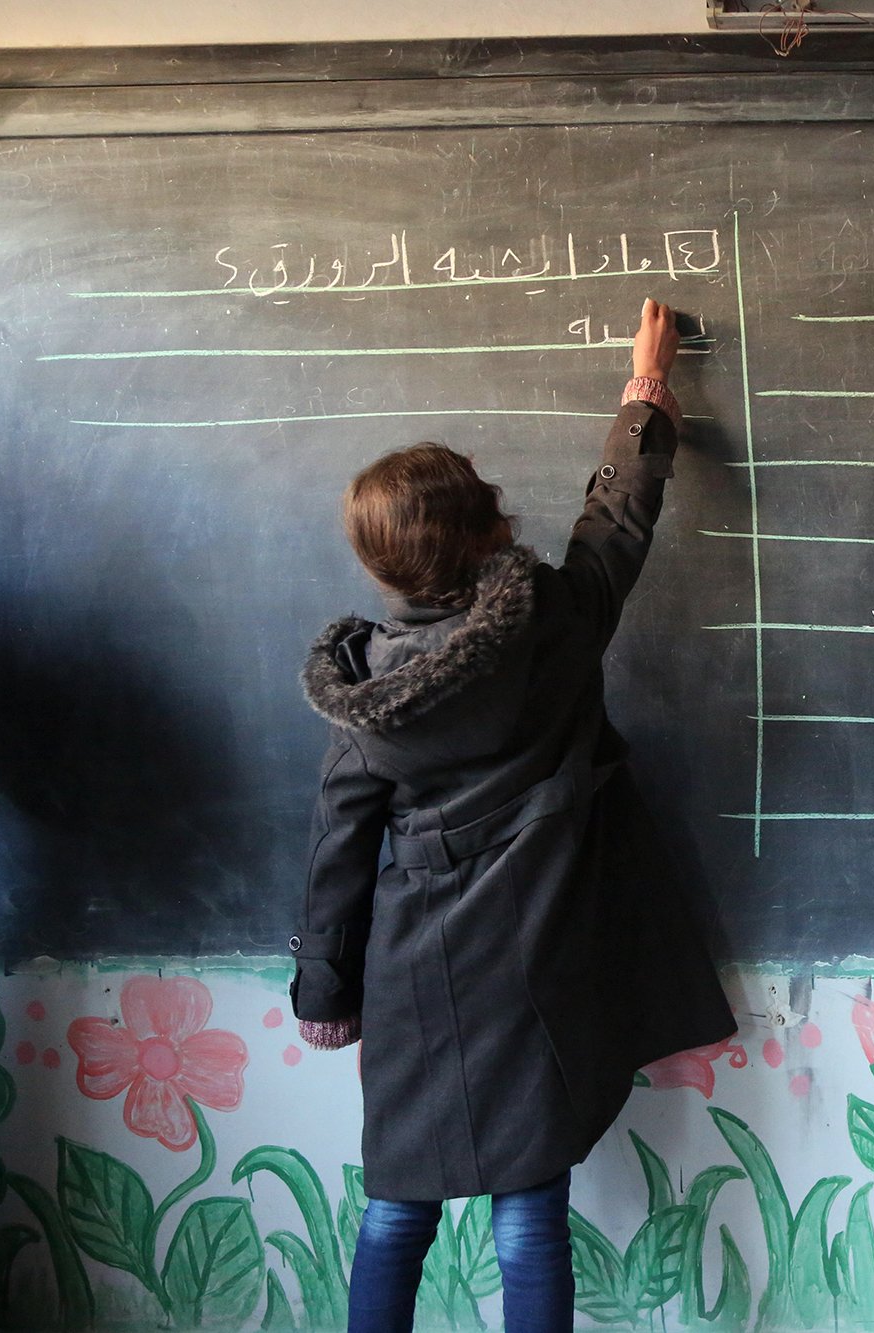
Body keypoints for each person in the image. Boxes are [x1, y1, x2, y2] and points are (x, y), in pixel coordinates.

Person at [288, 298, 736, 1333]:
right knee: (528, 1219)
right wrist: (645, 392)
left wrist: (325, 988)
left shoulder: (364, 703)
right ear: (489, 529)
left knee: (397, 1213)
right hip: (539, 960)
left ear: (380, 563)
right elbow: (614, 525)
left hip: (413, 980)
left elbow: (337, 849)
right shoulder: (554, 628)